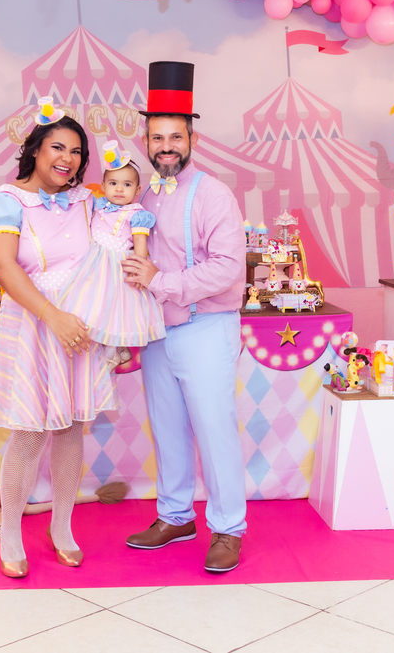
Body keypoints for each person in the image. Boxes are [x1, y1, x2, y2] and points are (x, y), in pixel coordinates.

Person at [0, 107, 114, 578]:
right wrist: (53, 317)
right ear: (34, 150)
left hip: (79, 331)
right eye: (57, 147)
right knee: (29, 431)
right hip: (36, 326)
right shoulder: (6, 201)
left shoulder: (87, 201)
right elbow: (3, 266)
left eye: (76, 151)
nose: (67, 159)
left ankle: (62, 527)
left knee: (71, 427)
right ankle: (11, 533)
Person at [120, 61, 248, 573]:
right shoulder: (146, 195)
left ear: (193, 138)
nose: (166, 146)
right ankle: (175, 516)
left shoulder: (214, 194)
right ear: (146, 142)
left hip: (206, 328)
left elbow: (228, 267)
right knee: (167, 429)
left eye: (176, 136)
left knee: (215, 430)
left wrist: (161, 281)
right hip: (158, 330)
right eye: (158, 138)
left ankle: (228, 527)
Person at [57, 140, 167, 362]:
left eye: (127, 184)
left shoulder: (136, 214)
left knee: (115, 307)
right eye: (113, 183)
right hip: (93, 262)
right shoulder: (98, 204)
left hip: (117, 266)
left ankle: (115, 350)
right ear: (104, 185)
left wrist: (139, 271)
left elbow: (141, 246)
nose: (119, 189)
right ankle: (107, 351)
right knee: (91, 305)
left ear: (137, 190)